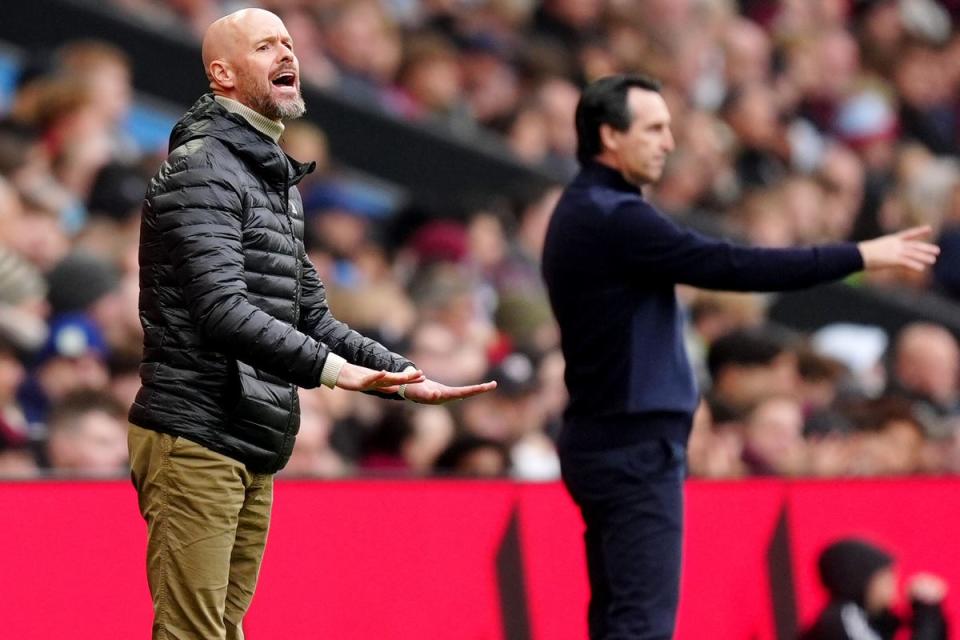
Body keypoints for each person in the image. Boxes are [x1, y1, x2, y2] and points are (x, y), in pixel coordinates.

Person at [126, 9, 496, 640]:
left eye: (289, 43)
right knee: (194, 634)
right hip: (195, 432)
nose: (285, 53)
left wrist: (399, 376)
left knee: (224, 630)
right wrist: (333, 373)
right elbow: (222, 310)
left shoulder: (273, 179)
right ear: (221, 73)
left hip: (252, 434)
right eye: (265, 45)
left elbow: (311, 314)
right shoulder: (202, 168)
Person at [540, 74, 940, 640]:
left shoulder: (587, 210)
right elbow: (732, 265)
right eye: (653, 128)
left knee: (616, 619)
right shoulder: (613, 216)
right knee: (639, 626)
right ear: (609, 135)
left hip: (608, 438)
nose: (668, 143)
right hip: (633, 444)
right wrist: (858, 255)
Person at [800, 537, 948, 639]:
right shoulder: (842, 619)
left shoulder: (876, 620)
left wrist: (927, 613)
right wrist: (927, 615)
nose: (893, 584)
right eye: (884, 577)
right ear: (860, 581)